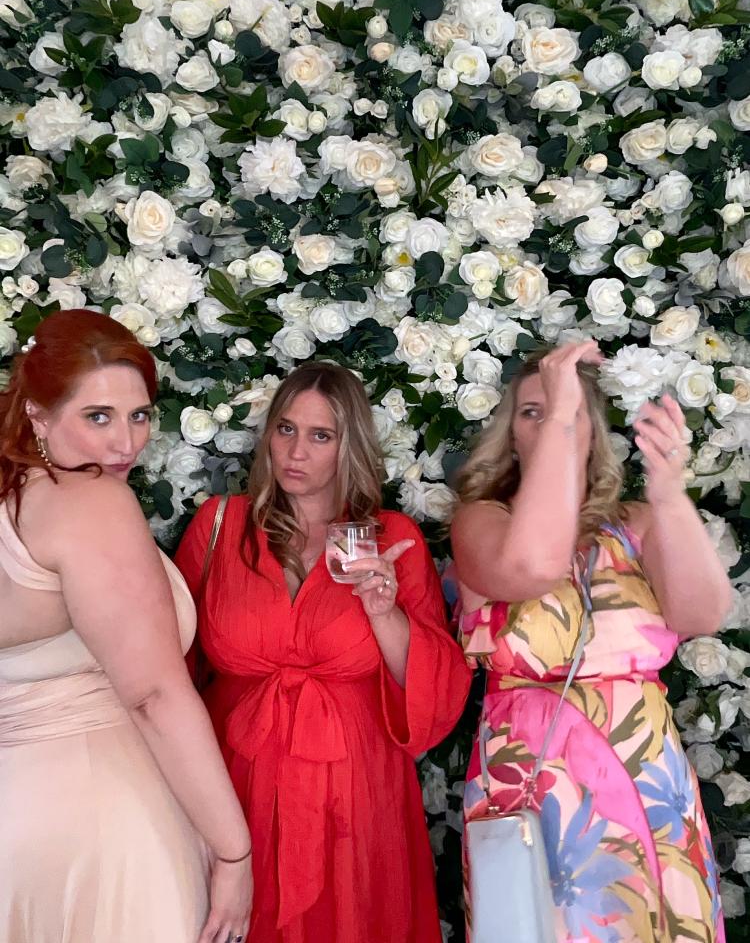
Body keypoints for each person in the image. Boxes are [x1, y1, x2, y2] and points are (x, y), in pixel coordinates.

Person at [175, 360, 471, 943]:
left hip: (355, 795)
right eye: (286, 429)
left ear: (348, 446)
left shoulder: (393, 538)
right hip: (233, 787)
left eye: (320, 435)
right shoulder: (220, 526)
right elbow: (171, 664)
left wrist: (384, 611)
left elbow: (434, 694)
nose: (296, 451)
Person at [451, 341, 731, 943]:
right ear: (512, 432)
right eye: (533, 411)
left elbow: (703, 612)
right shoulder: (481, 521)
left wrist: (668, 495)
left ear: (595, 431)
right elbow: (532, 566)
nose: (552, 419)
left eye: (572, 410)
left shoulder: (635, 523)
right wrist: (561, 415)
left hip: (646, 777)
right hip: (535, 792)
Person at [0, 309, 253, 943]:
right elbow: (154, 695)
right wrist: (234, 853)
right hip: (103, 816)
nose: (126, 443)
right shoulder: (91, 504)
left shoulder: (15, 499)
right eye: (98, 417)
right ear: (38, 414)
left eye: (138, 415)